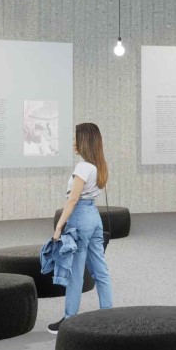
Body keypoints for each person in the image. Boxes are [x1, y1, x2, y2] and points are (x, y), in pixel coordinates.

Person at [48, 122, 114, 330]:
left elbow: (73, 200)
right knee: (100, 270)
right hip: (94, 216)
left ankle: (69, 318)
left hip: (80, 217)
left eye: (76, 138)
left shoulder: (83, 167)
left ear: (84, 140)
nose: (73, 143)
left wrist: (59, 227)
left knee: (75, 272)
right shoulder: (99, 166)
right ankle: (108, 315)